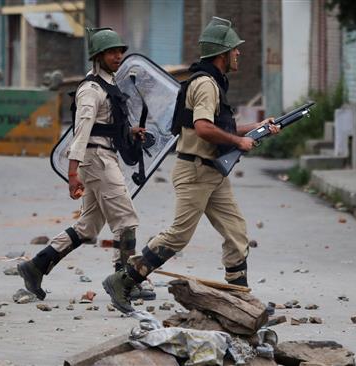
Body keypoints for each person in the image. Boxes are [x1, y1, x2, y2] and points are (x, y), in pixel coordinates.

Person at [102, 17, 281, 314]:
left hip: (212, 171)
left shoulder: (209, 82)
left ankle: (239, 297)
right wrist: (239, 143)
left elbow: (220, 126)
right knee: (179, 235)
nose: (238, 54)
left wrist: (257, 127)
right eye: (235, 50)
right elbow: (203, 128)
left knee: (236, 232)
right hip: (196, 171)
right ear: (221, 55)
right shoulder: (206, 85)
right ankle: (123, 279)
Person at [17, 28, 154, 301]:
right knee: (126, 221)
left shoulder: (109, 84)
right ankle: (125, 281)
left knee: (88, 226)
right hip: (96, 160)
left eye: (120, 51)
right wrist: (72, 173)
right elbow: (81, 132)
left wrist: (128, 133)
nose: (118, 56)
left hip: (103, 156)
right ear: (98, 56)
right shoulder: (90, 90)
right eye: (112, 52)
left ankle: (36, 266)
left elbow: (104, 126)